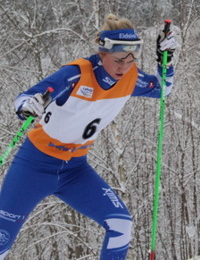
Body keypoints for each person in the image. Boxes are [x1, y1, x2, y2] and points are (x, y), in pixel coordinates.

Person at [0, 14, 179, 260]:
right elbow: (27, 96)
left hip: (75, 170)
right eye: (118, 60)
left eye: (131, 59)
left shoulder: (130, 77)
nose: (124, 67)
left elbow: (163, 90)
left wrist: (165, 62)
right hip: (34, 166)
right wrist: (27, 105)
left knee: (120, 225)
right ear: (102, 53)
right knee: (2, 242)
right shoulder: (76, 74)